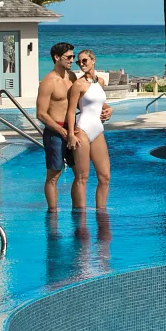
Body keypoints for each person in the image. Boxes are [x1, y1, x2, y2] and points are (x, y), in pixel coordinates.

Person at [36, 42, 79, 208]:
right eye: (69, 57)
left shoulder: (72, 78)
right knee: (53, 176)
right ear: (56, 57)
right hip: (56, 132)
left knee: (79, 173)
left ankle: (77, 211)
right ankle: (52, 215)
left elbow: (79, 103)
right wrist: (62, 132)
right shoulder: (48, 82)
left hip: (72, 130)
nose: (72, 60)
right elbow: (41, 113)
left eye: (73, 57)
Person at [71, 49, 114, 209]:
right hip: (82, 129)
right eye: (79, 62)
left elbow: (97, 102)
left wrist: (110, 109)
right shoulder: (78, 84)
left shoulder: (100, 82)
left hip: (97, 129)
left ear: (93, 60)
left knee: (105, 177)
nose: (81, 64)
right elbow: (70, 111)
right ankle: (80, 219)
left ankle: (101, 214)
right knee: (82, 177)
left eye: (84, 61)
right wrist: (70, 134)